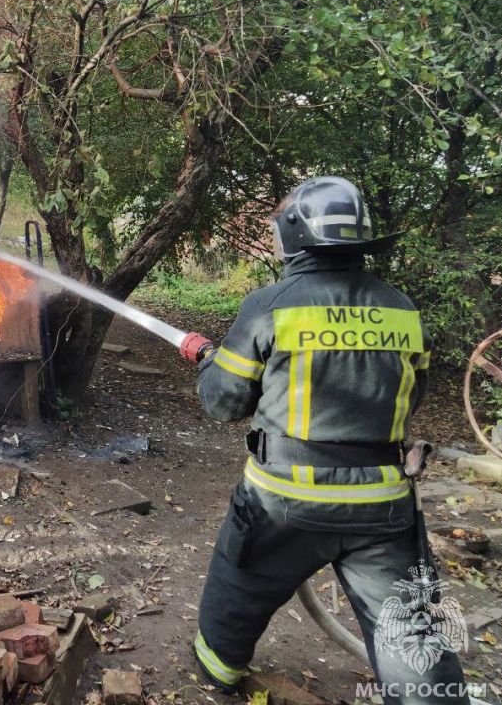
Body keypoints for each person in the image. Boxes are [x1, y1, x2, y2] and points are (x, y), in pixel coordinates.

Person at [188, 177, 469, 704]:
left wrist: (212, 365)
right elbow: (410, 396)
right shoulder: (402, 309)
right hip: (382, 506)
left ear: (294, 234)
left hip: (283, 503)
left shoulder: (271, 304)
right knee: (413, 642)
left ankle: (219, 670)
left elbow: (224, 403)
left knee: (237, 584)